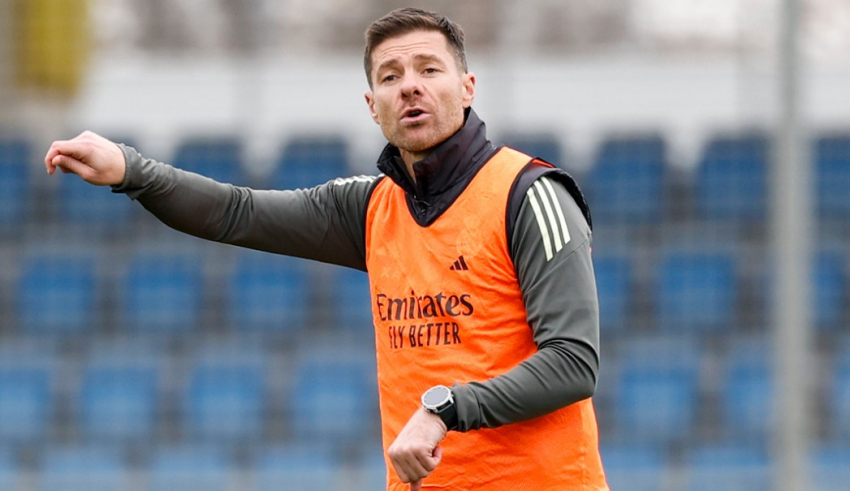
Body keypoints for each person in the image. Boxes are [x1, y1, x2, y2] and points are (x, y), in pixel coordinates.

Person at [45, 7, 608, 491]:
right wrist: (133, 171)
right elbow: (236, 212)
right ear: (372, 105)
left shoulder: (529, 194)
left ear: (467, 87)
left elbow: (573, 362)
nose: (409, 86)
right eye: (390, 77)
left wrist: (446, 409)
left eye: (429, 69)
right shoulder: (370, 208)